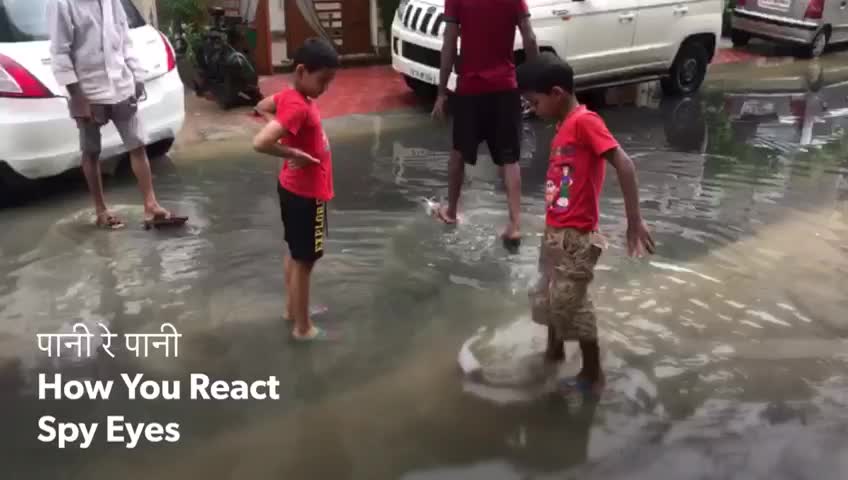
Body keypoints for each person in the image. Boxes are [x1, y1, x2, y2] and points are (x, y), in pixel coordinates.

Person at [517, 54, 656, 395]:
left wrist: (633, 221)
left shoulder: (585, 122)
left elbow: (624, 163)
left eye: (534, 102)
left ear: (557, 93)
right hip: (555, 233)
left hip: (576, 238)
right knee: (547, 295)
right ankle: (554, 352)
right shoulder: (564, 127)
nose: (532, 109)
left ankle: (593, 375)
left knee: (572, 303)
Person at [47, 0, 185, 229]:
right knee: (91, 152)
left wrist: (137, 76)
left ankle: (151, 205)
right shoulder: (62, 4)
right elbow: (60, 53)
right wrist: (78, 98)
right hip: (88, 90)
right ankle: (101, 210)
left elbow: (125, 39)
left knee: (137, 145)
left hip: (120, 84)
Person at [431, 0, 539, 250]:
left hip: (470, 88)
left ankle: (451, 212)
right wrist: (534, 86)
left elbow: (449, 43)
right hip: (505, 87)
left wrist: (441, 92)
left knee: (458, 152)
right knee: (509, 158)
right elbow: (530, 39)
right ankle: (514, 224)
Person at [252, 38, 339, 341]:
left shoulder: (289, 96)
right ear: (302, 71)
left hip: (292, 189)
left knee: (295, 252)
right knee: (306, 260)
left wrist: (288, 137)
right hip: (306, 194)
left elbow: (262, 106)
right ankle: (303, 328)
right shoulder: (298, 108)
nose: (325, 88)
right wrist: (293, 153)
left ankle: (293, 310)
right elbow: (260, 142)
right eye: (322, 80)